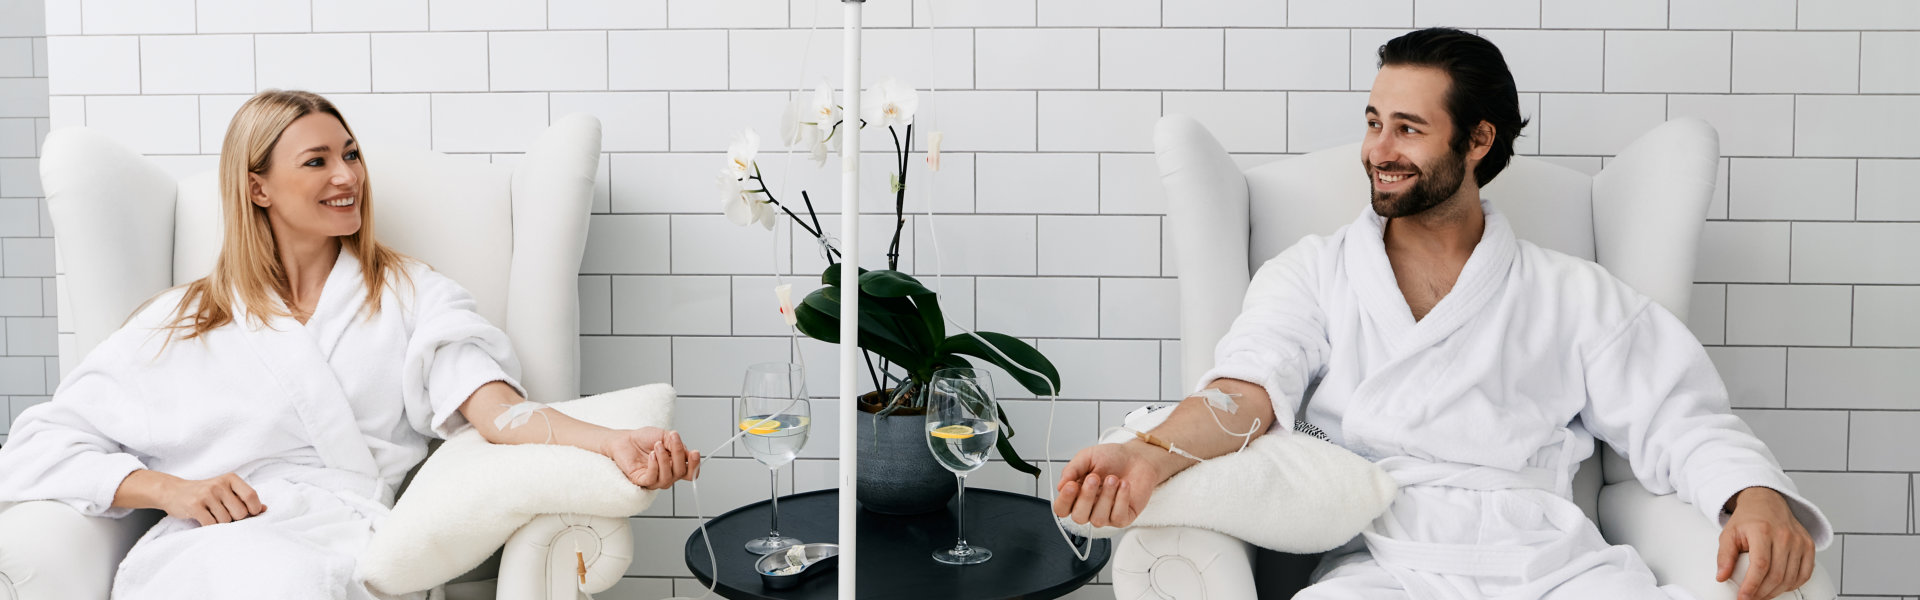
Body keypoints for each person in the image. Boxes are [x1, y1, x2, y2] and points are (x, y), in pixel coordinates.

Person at [1053, 28, 1827, 600]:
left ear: (1478, 140)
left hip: (1553, 563)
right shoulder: (1316, 273)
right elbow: (1245, 391)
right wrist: (1151, 454)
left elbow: (1680, 416)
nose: (1377, 149)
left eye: (1408, 128)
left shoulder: (1572, 292)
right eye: (1373, 120)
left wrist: (1753, 494)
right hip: (1386, 559)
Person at [0, 90, 701, 599]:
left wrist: (608, 442)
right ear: (258, 188)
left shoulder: (411, 294)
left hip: (339, 542)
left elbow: (497, 412)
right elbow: (35, 448)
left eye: (352, 154)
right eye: (318, 161)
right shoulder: (180, 322)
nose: (348, 177)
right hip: (204, 552)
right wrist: (169, 490)